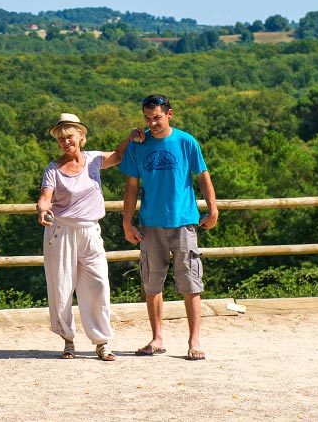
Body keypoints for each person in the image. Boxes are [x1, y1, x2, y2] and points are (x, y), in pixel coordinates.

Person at [119, 94, 218, 361]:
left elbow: (203, 176)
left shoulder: (187, 141)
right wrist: (127, 222)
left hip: (184, 220)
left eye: (157, 117)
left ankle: (194, 340)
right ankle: (157, 338)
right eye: (148, 118)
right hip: (151, 223)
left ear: (169, 114)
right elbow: (131, 187)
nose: (152, 123)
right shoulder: (137, 146)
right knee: (152, 282)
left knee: (191, 281)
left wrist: (213, 208)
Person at [37, 113, 141, 361]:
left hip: (90, 231)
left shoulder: (94, 160)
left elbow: (118, 156)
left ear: (81, 137)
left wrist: (131, 137)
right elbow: (45, 196)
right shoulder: (53, 169)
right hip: (61, 232)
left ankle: (102, 341)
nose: (65, 142)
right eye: (61, 139)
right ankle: (68, 340)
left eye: (69, 136)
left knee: (97, 284)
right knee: (62, 287)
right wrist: (43, 209)